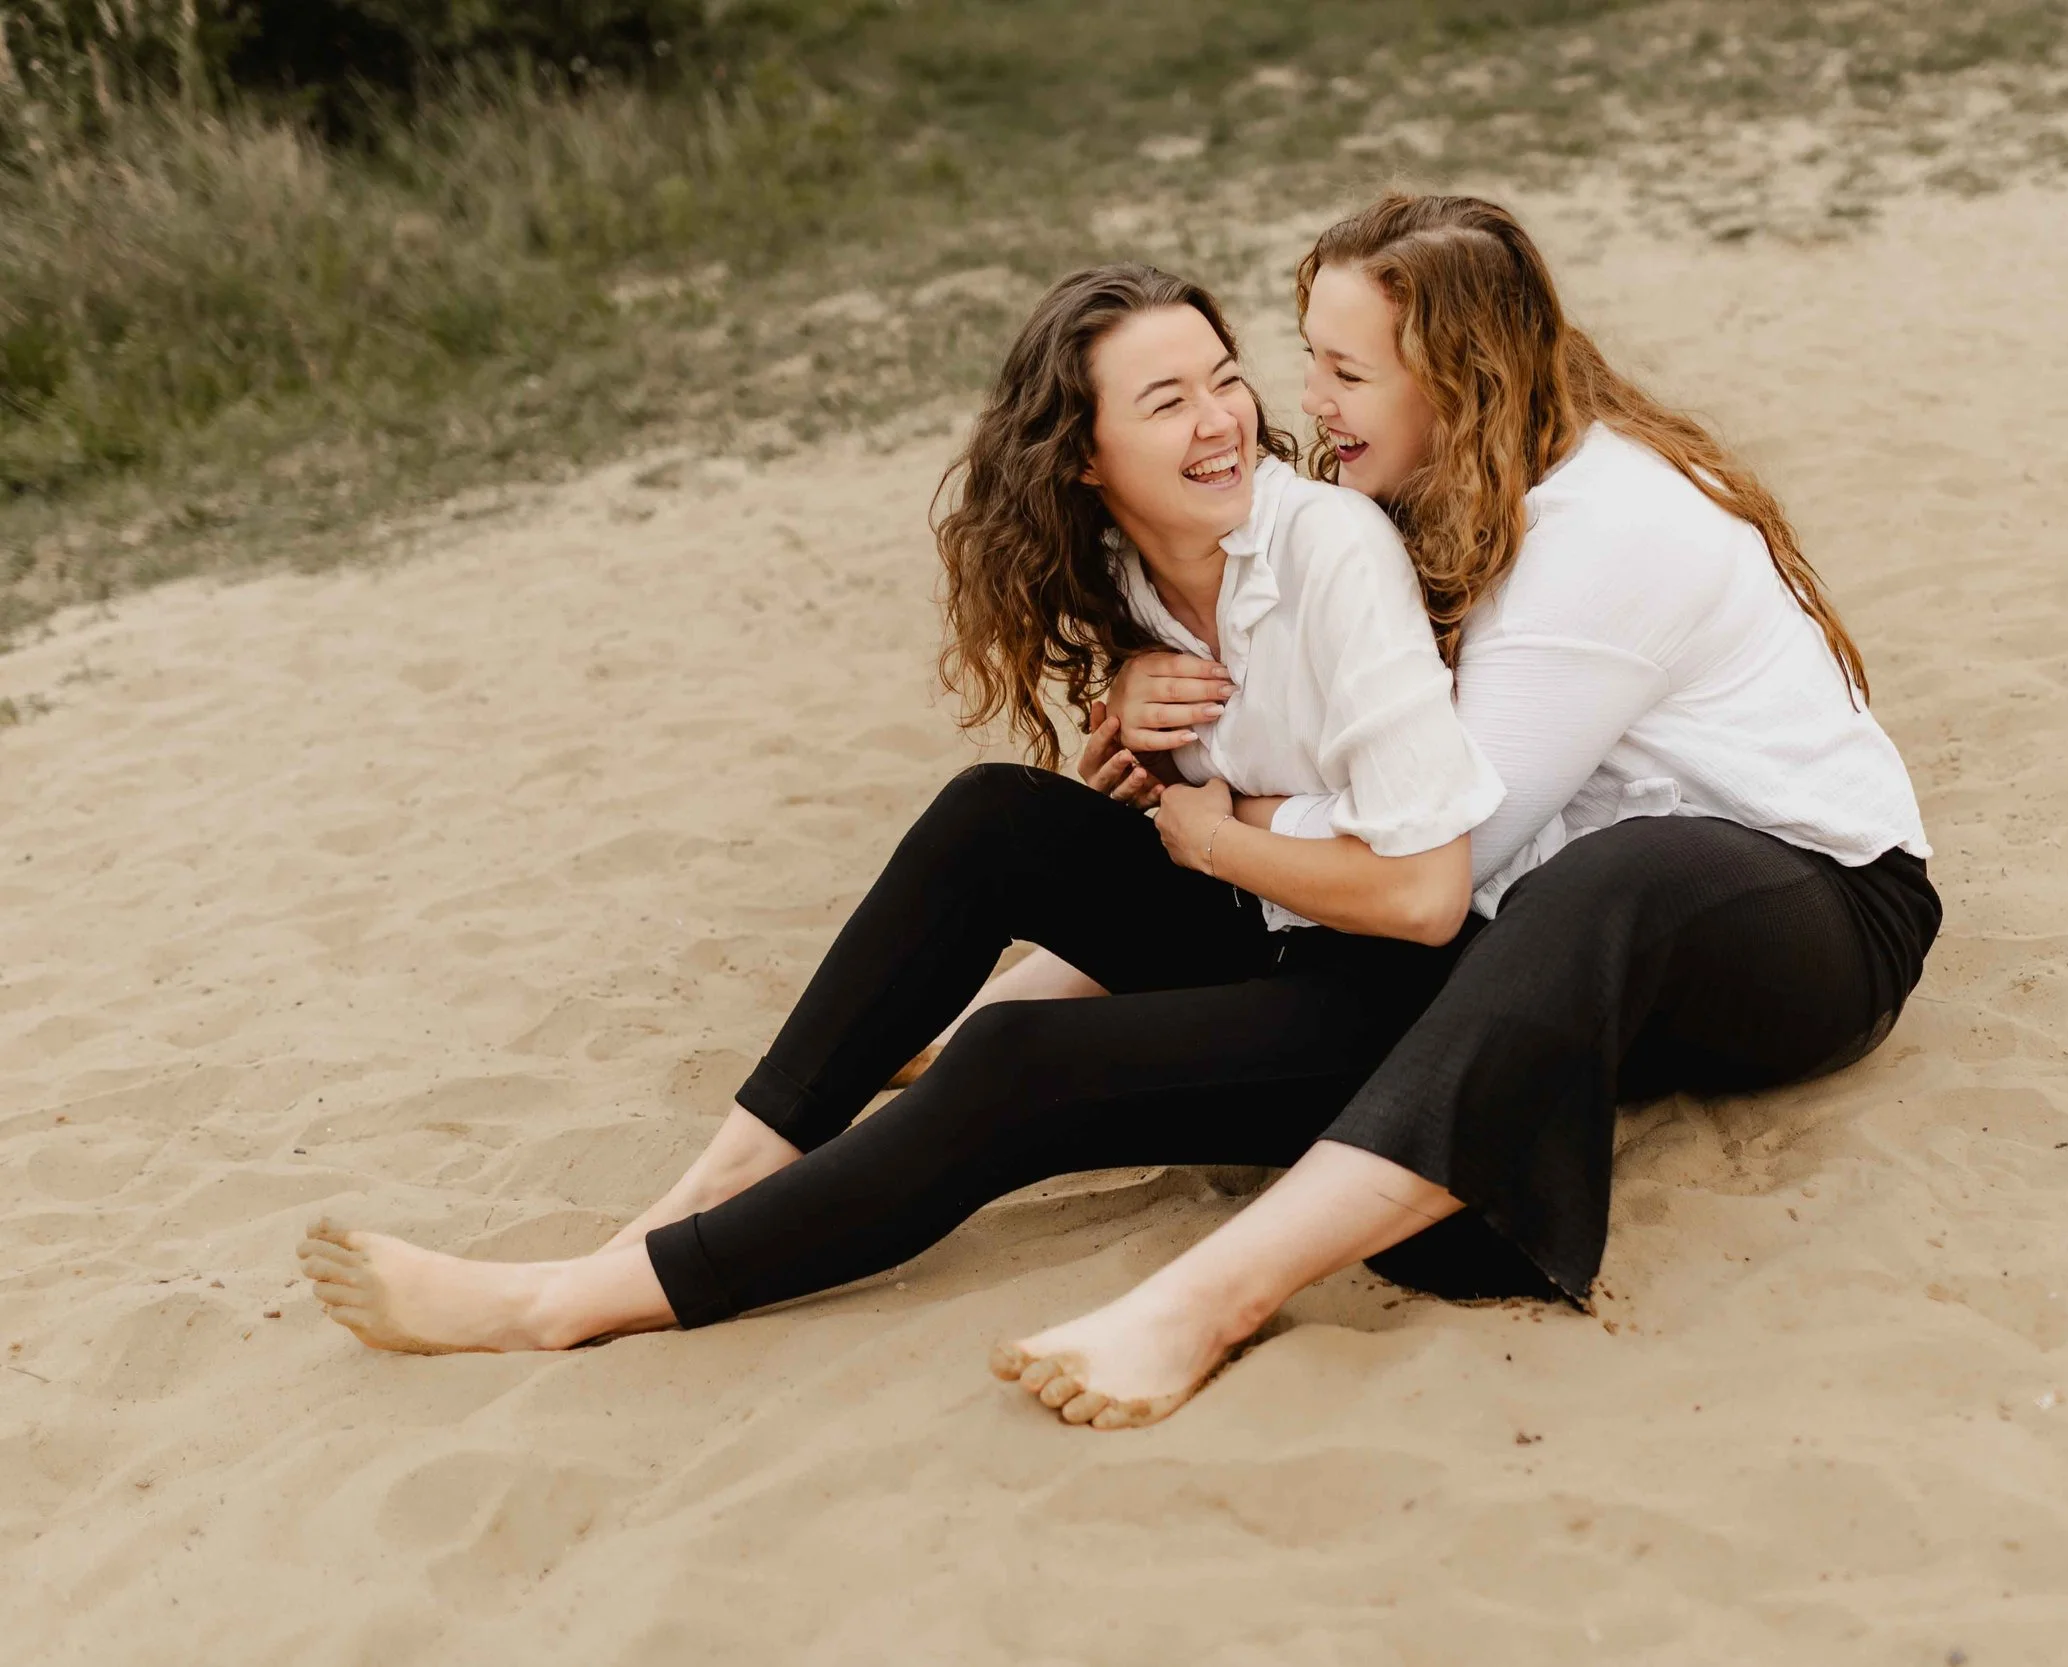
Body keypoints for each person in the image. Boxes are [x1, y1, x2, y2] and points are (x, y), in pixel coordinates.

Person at [296, 262, 1508, 1429]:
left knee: (1016, 1053)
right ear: (1084, 459)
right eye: (1167, 400)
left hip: (1380, 999)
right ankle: (701, 1197)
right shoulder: (1138, 573)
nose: (1222, 420)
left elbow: (1423, 900)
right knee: (992, 814)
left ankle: (562, 1303)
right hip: (1263, 934)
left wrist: (1207, 835)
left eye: (1224, 377)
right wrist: (1148, 752)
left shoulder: (1333, 551)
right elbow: (1191, 795)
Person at [978, 194, 1941, 1425]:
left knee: (1596, 880)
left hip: (1813, 913)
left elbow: (1437, 852)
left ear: (1456, 374)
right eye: (1309, 358)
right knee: (1437, 938)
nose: (1307, 404)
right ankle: (1017, 1022)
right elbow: (1335, 712)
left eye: (1345, 371)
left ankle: (1212, 1296)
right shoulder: (1452, 467)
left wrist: (1235, 814)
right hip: (1558, 900)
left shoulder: (1601, 539)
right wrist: (1159, 703)